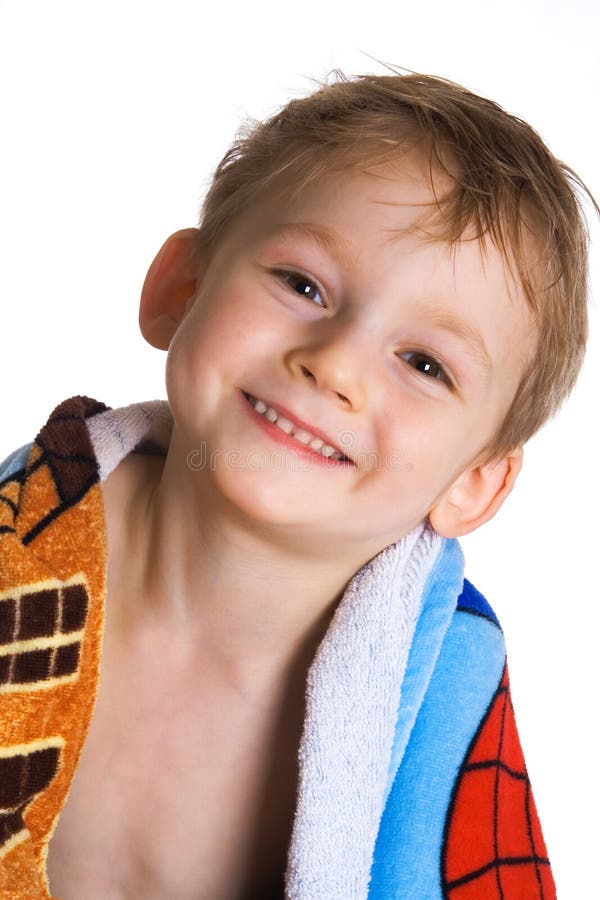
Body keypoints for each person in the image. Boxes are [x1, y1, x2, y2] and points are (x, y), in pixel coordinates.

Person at [0, 70, 595, 900]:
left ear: (476, 482)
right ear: (182, 287)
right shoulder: (17, 538)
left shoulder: (441, 689)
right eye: (302, 284)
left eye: (424, 363)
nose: (338, 362)